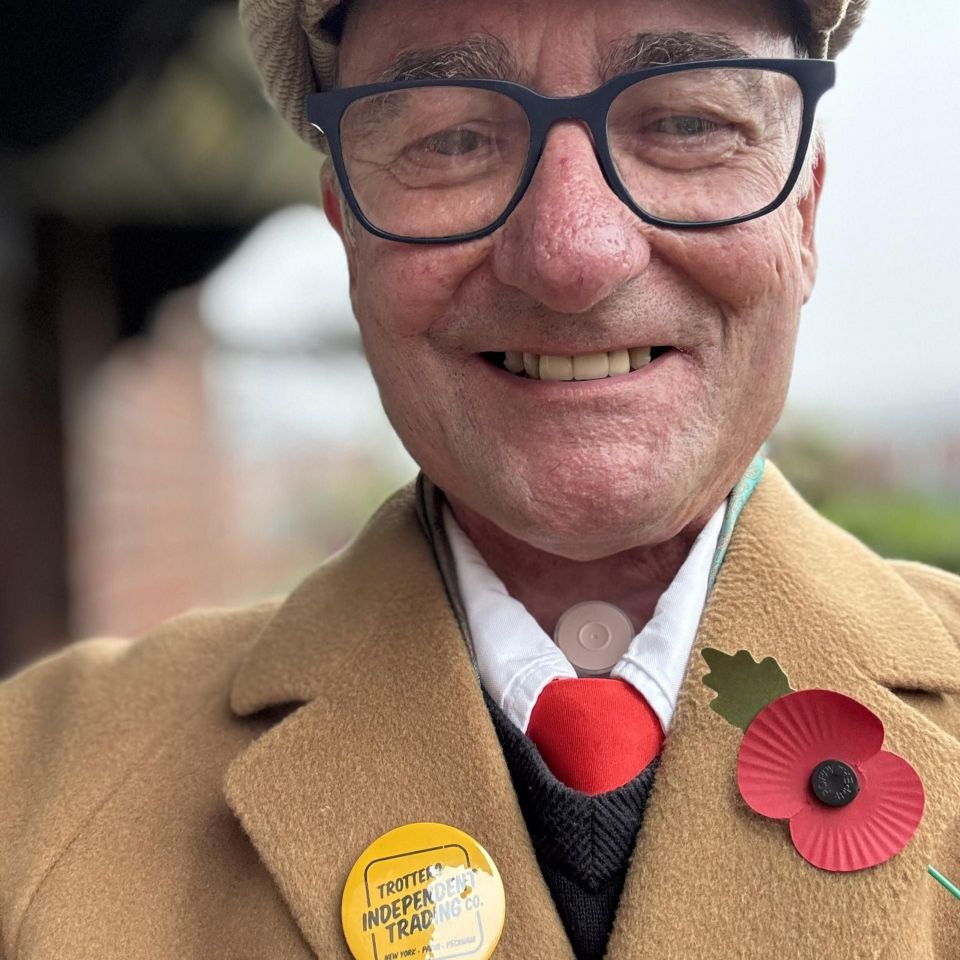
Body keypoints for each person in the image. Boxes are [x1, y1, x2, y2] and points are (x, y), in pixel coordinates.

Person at [2, 0, 959, 957]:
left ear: (806, 210)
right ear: (349, 234)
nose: (572, 254)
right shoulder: (33, 798)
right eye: (452, 138)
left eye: (686, 125)